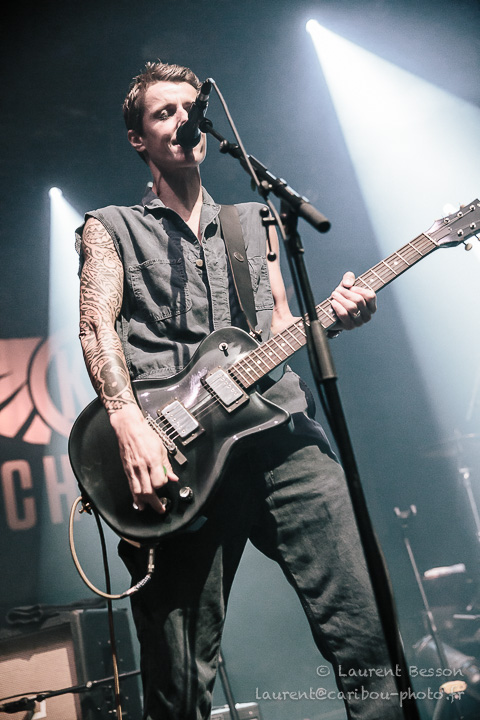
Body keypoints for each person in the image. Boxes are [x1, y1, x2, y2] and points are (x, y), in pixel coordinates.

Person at [76, 61, 402, 720]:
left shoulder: (255, 220)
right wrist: (130, 426)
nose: (183, 120)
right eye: (164, 112)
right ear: (138, 138)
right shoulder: (110, 227)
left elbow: (279, 327)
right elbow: (95, 327)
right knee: (178, 683)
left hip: (279, 434)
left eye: (191, 108)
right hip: (178, 456)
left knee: (368, 635)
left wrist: (334, 319)